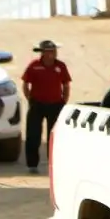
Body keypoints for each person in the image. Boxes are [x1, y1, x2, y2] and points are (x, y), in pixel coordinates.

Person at [22, 39, 72, 174]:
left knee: (54, 136)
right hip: (37, 105)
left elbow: (66, 84)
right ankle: (32, 164)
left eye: (54, 51)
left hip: (56, 105)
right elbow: (26, 84)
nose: (53, 54)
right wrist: (30, 99)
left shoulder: (61, 66)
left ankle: (54, 163)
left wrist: (64, 101)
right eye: (49, 52)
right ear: (43, 53)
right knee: (33, 135)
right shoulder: (34, 66)